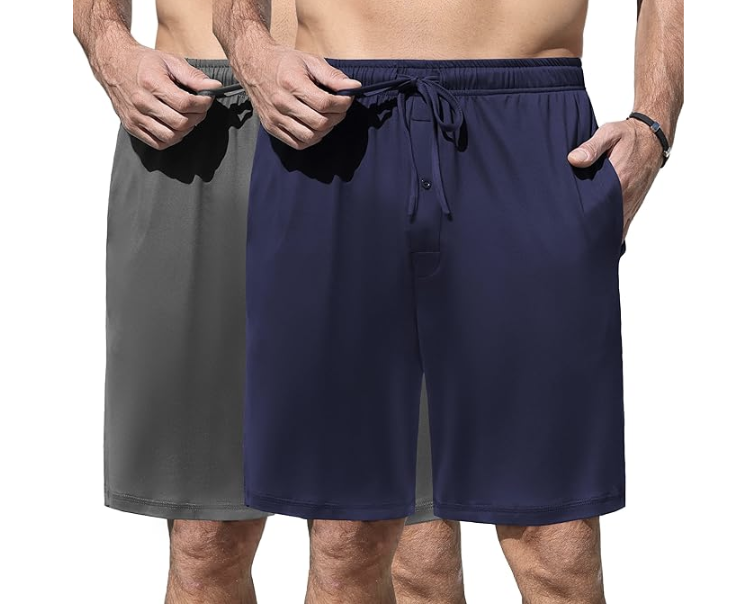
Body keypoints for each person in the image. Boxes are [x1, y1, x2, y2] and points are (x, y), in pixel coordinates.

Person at [215, 0, 684, 602]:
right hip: (336, 121)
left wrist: (655, 120)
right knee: (345, 543)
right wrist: (251, 50)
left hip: (531, 123)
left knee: (557, 548)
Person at [73, 0, 466, 602]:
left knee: (408, 548)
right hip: (199, 114)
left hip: (372, 101)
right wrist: (110, 47)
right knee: (206, 545)